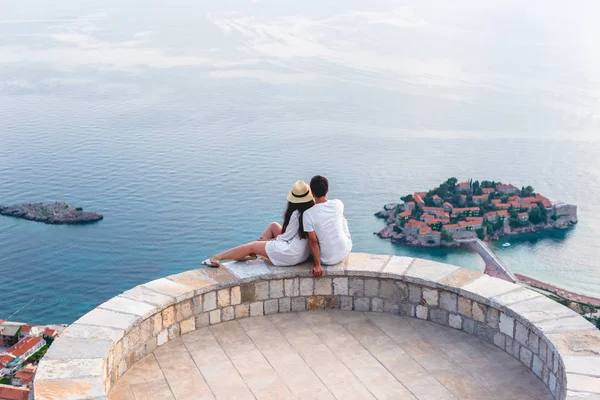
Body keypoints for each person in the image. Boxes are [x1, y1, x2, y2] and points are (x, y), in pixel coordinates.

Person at [202, 180, 314, 267]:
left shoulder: (296, 214)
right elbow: (293, 234)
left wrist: (268, 241)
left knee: (252, 246)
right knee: (273, 226)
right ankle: (254, 253)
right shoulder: (311, 210)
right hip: (303, 251)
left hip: (291, 254)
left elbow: (286, 237)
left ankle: (216, 258)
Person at [303, 175, 352, 277]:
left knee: (311, 236)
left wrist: (317, 265)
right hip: (345, 250)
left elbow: (313, 241)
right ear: (327, 190)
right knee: (341, 217)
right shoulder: (338, 204)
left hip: (327, 260)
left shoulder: (308, 214)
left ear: (312, 193)